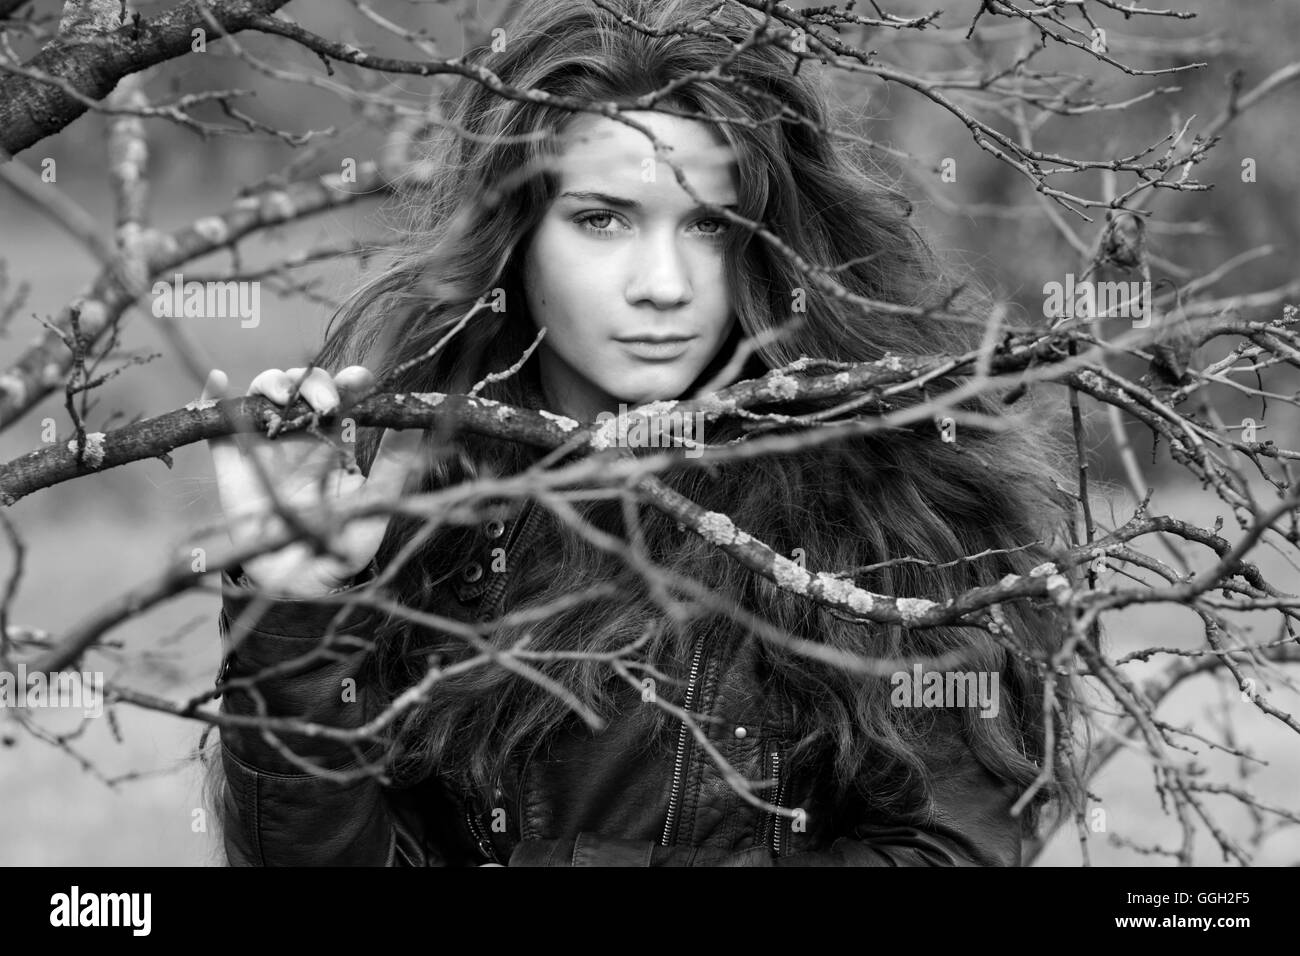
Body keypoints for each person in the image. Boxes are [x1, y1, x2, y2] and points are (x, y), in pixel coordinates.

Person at [201, 0, 1083, 866]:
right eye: (602, 219)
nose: (662, 284)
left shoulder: (900, 495)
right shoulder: (409, 498)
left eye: (707, 225)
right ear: (514, 239)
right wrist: (297, 610)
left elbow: (951, 847)